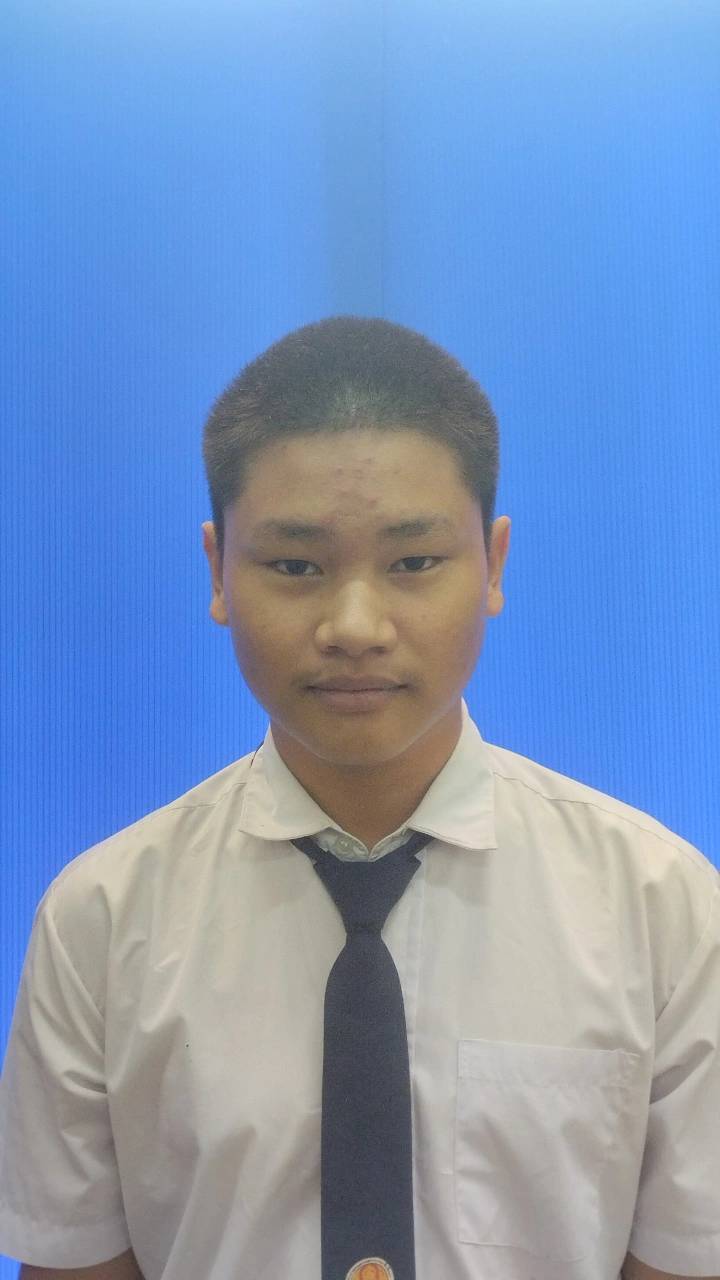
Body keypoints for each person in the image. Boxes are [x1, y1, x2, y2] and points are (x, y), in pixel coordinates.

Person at [0, 316, 718, 1280]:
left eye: (413, 562)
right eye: (295, 566)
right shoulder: (100, 920)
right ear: (217, 570)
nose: (354, 625)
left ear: (494, 563)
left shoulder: (664, 910)